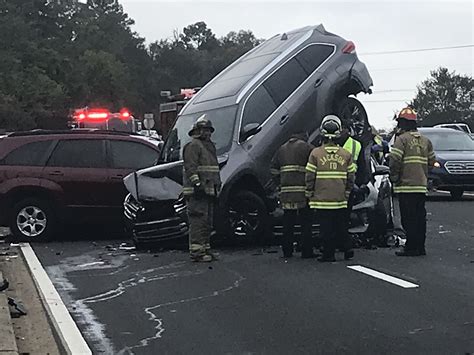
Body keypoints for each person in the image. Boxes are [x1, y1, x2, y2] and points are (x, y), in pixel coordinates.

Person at [306, 115, 356, 262]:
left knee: (326, 228)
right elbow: (351, 176)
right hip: (340, 198)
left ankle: (329, 254)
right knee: (341, 225)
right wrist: (347, 192)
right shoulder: (346, 154)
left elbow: (310, 176)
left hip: (321, 199)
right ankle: (348, 249)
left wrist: (309, 192)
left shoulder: (315, 153)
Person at [389, 107, 435, 256]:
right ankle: (420, 247)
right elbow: (432, 161)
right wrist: (424, 175)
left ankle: (410, 247)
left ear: (403, 123)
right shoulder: (425, 141)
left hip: (406, 187)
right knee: (420, 218)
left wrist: (394, 177)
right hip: (421, 186)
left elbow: (395, 160)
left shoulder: (402, 140)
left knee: (408, 219)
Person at [183, 115, 221, 262]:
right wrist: (197, 185)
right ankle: (197, 252)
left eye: (209, 131)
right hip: (197, 192)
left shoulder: (209, 147)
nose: (208, 133)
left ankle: (205, 248)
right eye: (205, 130)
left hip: (208, 190)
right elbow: (190, 168)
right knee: (198, 221)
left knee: (207, 222)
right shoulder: (193, 146)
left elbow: (212, 170)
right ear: (197, 131)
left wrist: (217, 187)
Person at [271, 132, 315, 258]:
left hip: (286, 192)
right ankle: (307, 251)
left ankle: (287, 251)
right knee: (305, 222)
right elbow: (314, 167)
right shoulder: (307, 148)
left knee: (288, 222)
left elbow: (273, 168)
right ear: (303, 135)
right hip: (303, 192)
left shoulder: (281, 149)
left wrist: (279, 183)